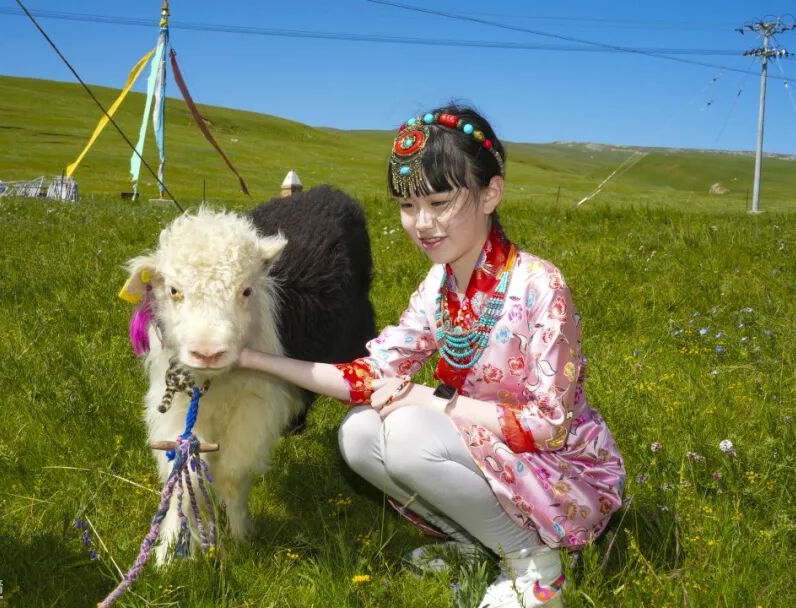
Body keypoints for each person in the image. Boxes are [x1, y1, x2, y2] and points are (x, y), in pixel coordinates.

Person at [240, 104, 625, 608]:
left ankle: (536, 565)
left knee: (405, 431)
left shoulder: (539, 285)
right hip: (483, 449)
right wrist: (250, 359)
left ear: (491, 193)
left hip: (558, 469)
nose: (422, 224)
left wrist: (430, 400)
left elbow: (550, 425)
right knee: (358, 433)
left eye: (440, 202)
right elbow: (368, 374)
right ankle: (473, 540)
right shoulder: (438, 287)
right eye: (407, 205)